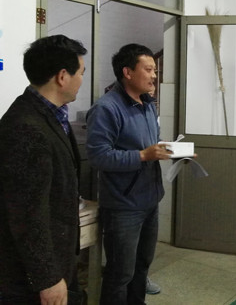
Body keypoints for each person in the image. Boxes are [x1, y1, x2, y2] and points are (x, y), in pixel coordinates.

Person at [0, 35, 87, 305]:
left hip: (57, 258)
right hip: (29, 279)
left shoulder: (50, 115)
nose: (81, 80)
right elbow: (27, 214)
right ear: (62, 76)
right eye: (81, 73)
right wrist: (47, 278)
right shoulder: (26, 127)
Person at [86, 43, 172, 304]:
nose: (154, 75)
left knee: (141, 267)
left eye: (154, 70)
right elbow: (99, 156)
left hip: (150, 199)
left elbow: (148, 144)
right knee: (120, 274)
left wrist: (169, 152)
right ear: (127, 72)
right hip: (123, 206)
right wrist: (143, 155)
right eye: (148, 69)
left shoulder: (147, 104)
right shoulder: (106, 108)